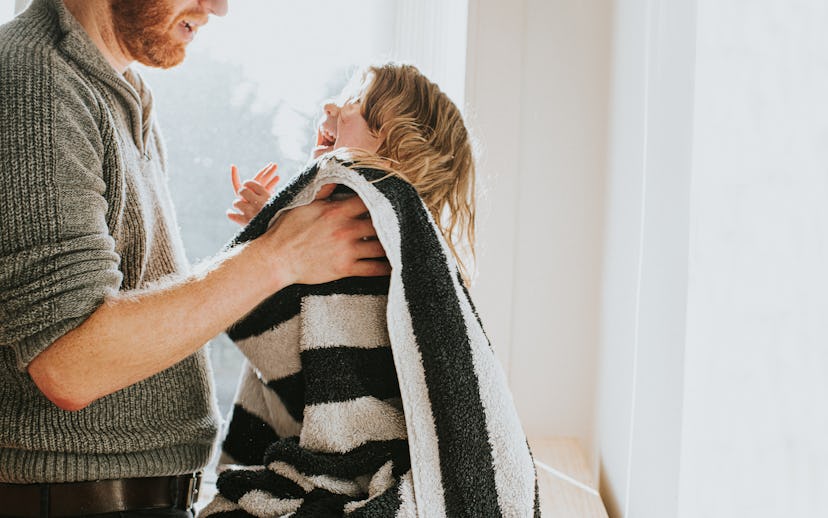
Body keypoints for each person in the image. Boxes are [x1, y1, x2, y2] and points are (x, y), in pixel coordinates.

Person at [0, 0, 389, 516]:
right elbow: (71, 365)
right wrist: (277, 256)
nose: (219, 7)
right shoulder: (37, 86)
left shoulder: (120, 91)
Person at [203, 64, 537, 517]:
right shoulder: (347, 246)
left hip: (373, 467)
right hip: (328, 462)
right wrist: (269, 233)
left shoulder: (403, 265)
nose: (330, 107)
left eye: (355, 104)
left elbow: (307, 334)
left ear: (399, 148)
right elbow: (300, 345)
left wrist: (268, 235)